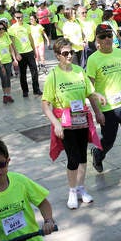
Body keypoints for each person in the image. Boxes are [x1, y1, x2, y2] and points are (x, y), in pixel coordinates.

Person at [42, 38, 106, 209]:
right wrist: (56, 124)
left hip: (81, 119)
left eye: (71, 52)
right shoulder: (53, 76)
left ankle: (81, 188)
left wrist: (98, 97)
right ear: (57, 56)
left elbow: (89, 92)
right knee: (73, 157)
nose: (70, 55)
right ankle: (72, 191)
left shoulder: (79, 70)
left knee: (83, 156)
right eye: (65, 53)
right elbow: (45, 105)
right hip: (65, 122)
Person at [87, 24, 121, 188]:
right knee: (108, 141)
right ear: (97, 39)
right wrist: (97, 112)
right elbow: (90, 89)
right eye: (103, 36)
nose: (107, 39)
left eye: (109, 35)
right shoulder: (93, 59)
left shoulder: (119, 53)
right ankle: (98, 153)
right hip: (107, 109)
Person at [9, 11, 42, 97]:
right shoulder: (12, 28)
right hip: (20, 53)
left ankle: (36, 89)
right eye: (18, 17)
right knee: (22, 73)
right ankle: (25, 91)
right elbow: (12, 43)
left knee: (34, 71)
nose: (20, 19)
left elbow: (31, 39)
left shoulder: (27, 26)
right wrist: (16, 54)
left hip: (29, 52)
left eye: (21, 17)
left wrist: (34, 50)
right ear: (14, 18)